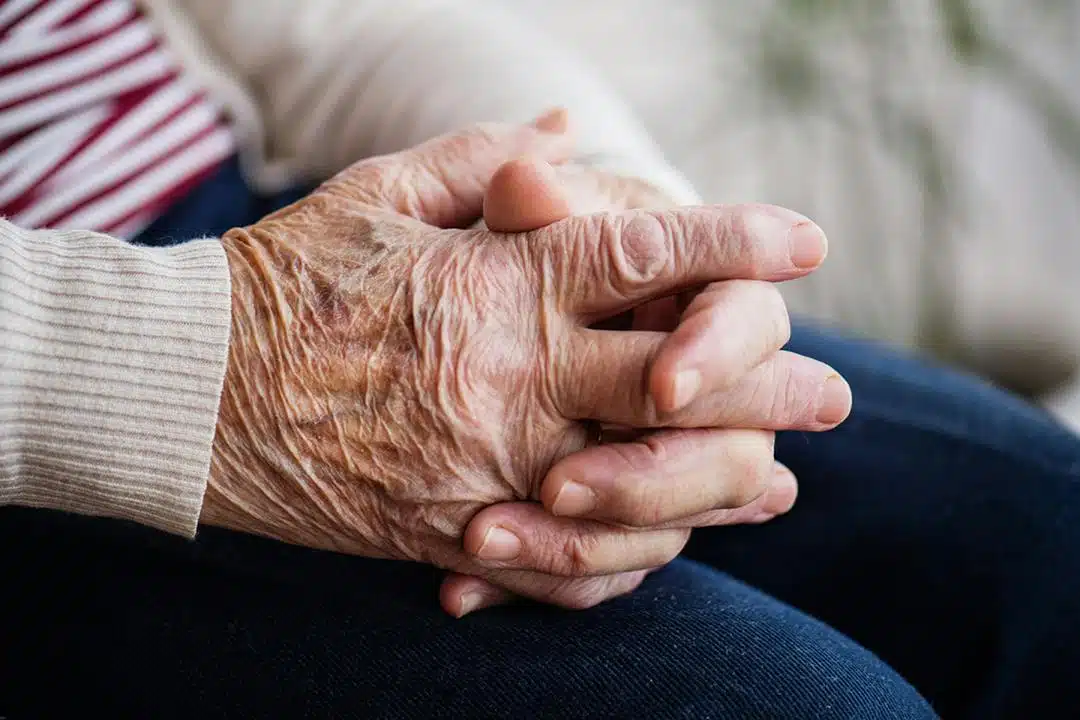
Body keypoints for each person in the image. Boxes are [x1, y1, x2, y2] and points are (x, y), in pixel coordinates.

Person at [3, 2, 1080, 718]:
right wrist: (209, 367)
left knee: (1044, 539)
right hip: (64, 377)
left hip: (275, 234)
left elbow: (326, 24)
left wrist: (619, 223)